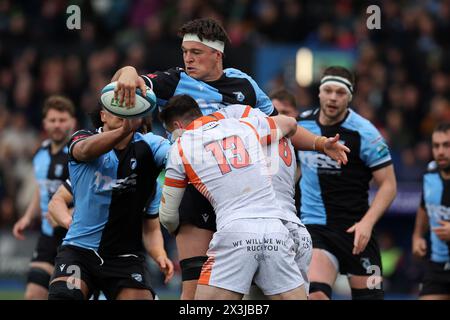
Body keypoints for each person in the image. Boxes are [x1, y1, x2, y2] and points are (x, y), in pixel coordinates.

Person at [158, 94, 309, 300]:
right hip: (276, 230)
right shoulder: (242, 126)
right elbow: (290, 123)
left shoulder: (181, 146)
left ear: (177, 125)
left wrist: (175, 229)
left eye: (170, 133)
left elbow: (167, 215)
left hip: (234, 232)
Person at [47, 107, 174, 300]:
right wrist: (68, 221)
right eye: (114, 109)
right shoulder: (85, 145)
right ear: (102, 115)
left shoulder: (151, 179)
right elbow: (57, 200)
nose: (121, 113)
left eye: (128, 111)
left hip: (125, 258)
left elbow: (151, 229)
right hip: (80, 251)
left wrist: (159, 254)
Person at [297, 66, 397, 300]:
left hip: (356, 230)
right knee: (315, 296)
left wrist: (367, 223)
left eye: (340, 93)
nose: (333, 97)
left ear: (350, 97)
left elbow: (389, 185)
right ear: (319, 93)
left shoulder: (366, 133)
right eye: (328, 91)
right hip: (316, 228)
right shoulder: (301, 126)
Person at [12, 96, 76, 300]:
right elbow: (41, 188)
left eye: (62, 120)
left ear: (72, 122)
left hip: (74, 238)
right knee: (33, 294)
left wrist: (68, 213)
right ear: (45, 123)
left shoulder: (79, 153)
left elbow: (90, 194)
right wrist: (28, 217)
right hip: (48, 236)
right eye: (53, 120)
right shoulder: (40, 152)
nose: (57, 125)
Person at [412, 123, 450, 300]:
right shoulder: (430, 172)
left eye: (447, 145)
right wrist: (417, 235)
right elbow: (424, 207)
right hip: (437, 264)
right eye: (436, 146)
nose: (441, 151)